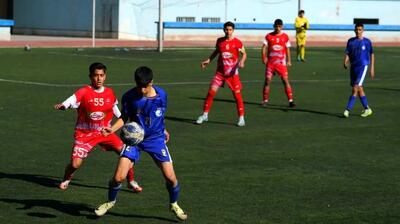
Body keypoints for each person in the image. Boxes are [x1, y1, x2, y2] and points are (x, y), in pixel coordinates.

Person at [94, 66, 187, 221]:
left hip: (155, 139)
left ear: (152, 82)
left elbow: (160, 115)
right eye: (139, 86)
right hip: (134, 140)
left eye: (145, 86)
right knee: (118, 177)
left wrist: (163, 130)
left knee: (171, 178)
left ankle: (174, 203)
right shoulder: (129, 97)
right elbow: (124, 117)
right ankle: (110, 202)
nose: (142, 89)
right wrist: (111, 129)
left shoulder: (162, 95)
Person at [54, 62, 142, 192]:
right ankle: (67, 177)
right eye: (96, 75)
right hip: (85, 134)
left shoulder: (110, 93)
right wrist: (64, 105)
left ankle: (131, 181)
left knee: (126, 154)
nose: (99, 78)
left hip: (105, 133)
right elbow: (72, 100)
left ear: (105, 76)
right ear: (90, 76)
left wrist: (126, 121)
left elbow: (118, 112)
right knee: (75, 164)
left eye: (101, 75)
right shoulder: (84, 91)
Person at [196, 21, 247, 127]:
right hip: (220, 73)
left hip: (232, 74)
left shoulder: (237, 42)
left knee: (237, 96)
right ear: (224, 30)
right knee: (211, 92)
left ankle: (241, 118)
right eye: (226, 29)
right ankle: (205, 115)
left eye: (230, 30)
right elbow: (216, 52)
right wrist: (208, 60)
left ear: (233, 30)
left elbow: (244, 53)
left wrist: (242, 61)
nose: (228, 31)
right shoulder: (219, 41)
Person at [261, 19, 295, 108]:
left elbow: (287, 49)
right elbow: (264, 47)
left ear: (282, 26)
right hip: (271, 64)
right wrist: (263, 57)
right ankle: (265, 100)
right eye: (276, 26)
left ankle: (290, 101)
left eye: (279, 26)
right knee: (267, 81)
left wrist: (289, 60)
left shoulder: (285, 37)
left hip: (281, 64)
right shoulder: (268, 36)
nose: (278, 28)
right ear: (274, 26)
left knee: (285, 81)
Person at [343, 23, 375, 118]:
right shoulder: (351, 41)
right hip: (354, 67)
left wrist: (372, 67)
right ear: (354, 30)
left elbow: (372, 54)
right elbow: (348, 52)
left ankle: (347, 110)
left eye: (360, 29)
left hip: (363, 66)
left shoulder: (367, 42)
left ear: (363, 30)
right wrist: (345, 61)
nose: (358, 31)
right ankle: (367, 109)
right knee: (360, 88)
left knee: (355, 88)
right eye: (356, 29)